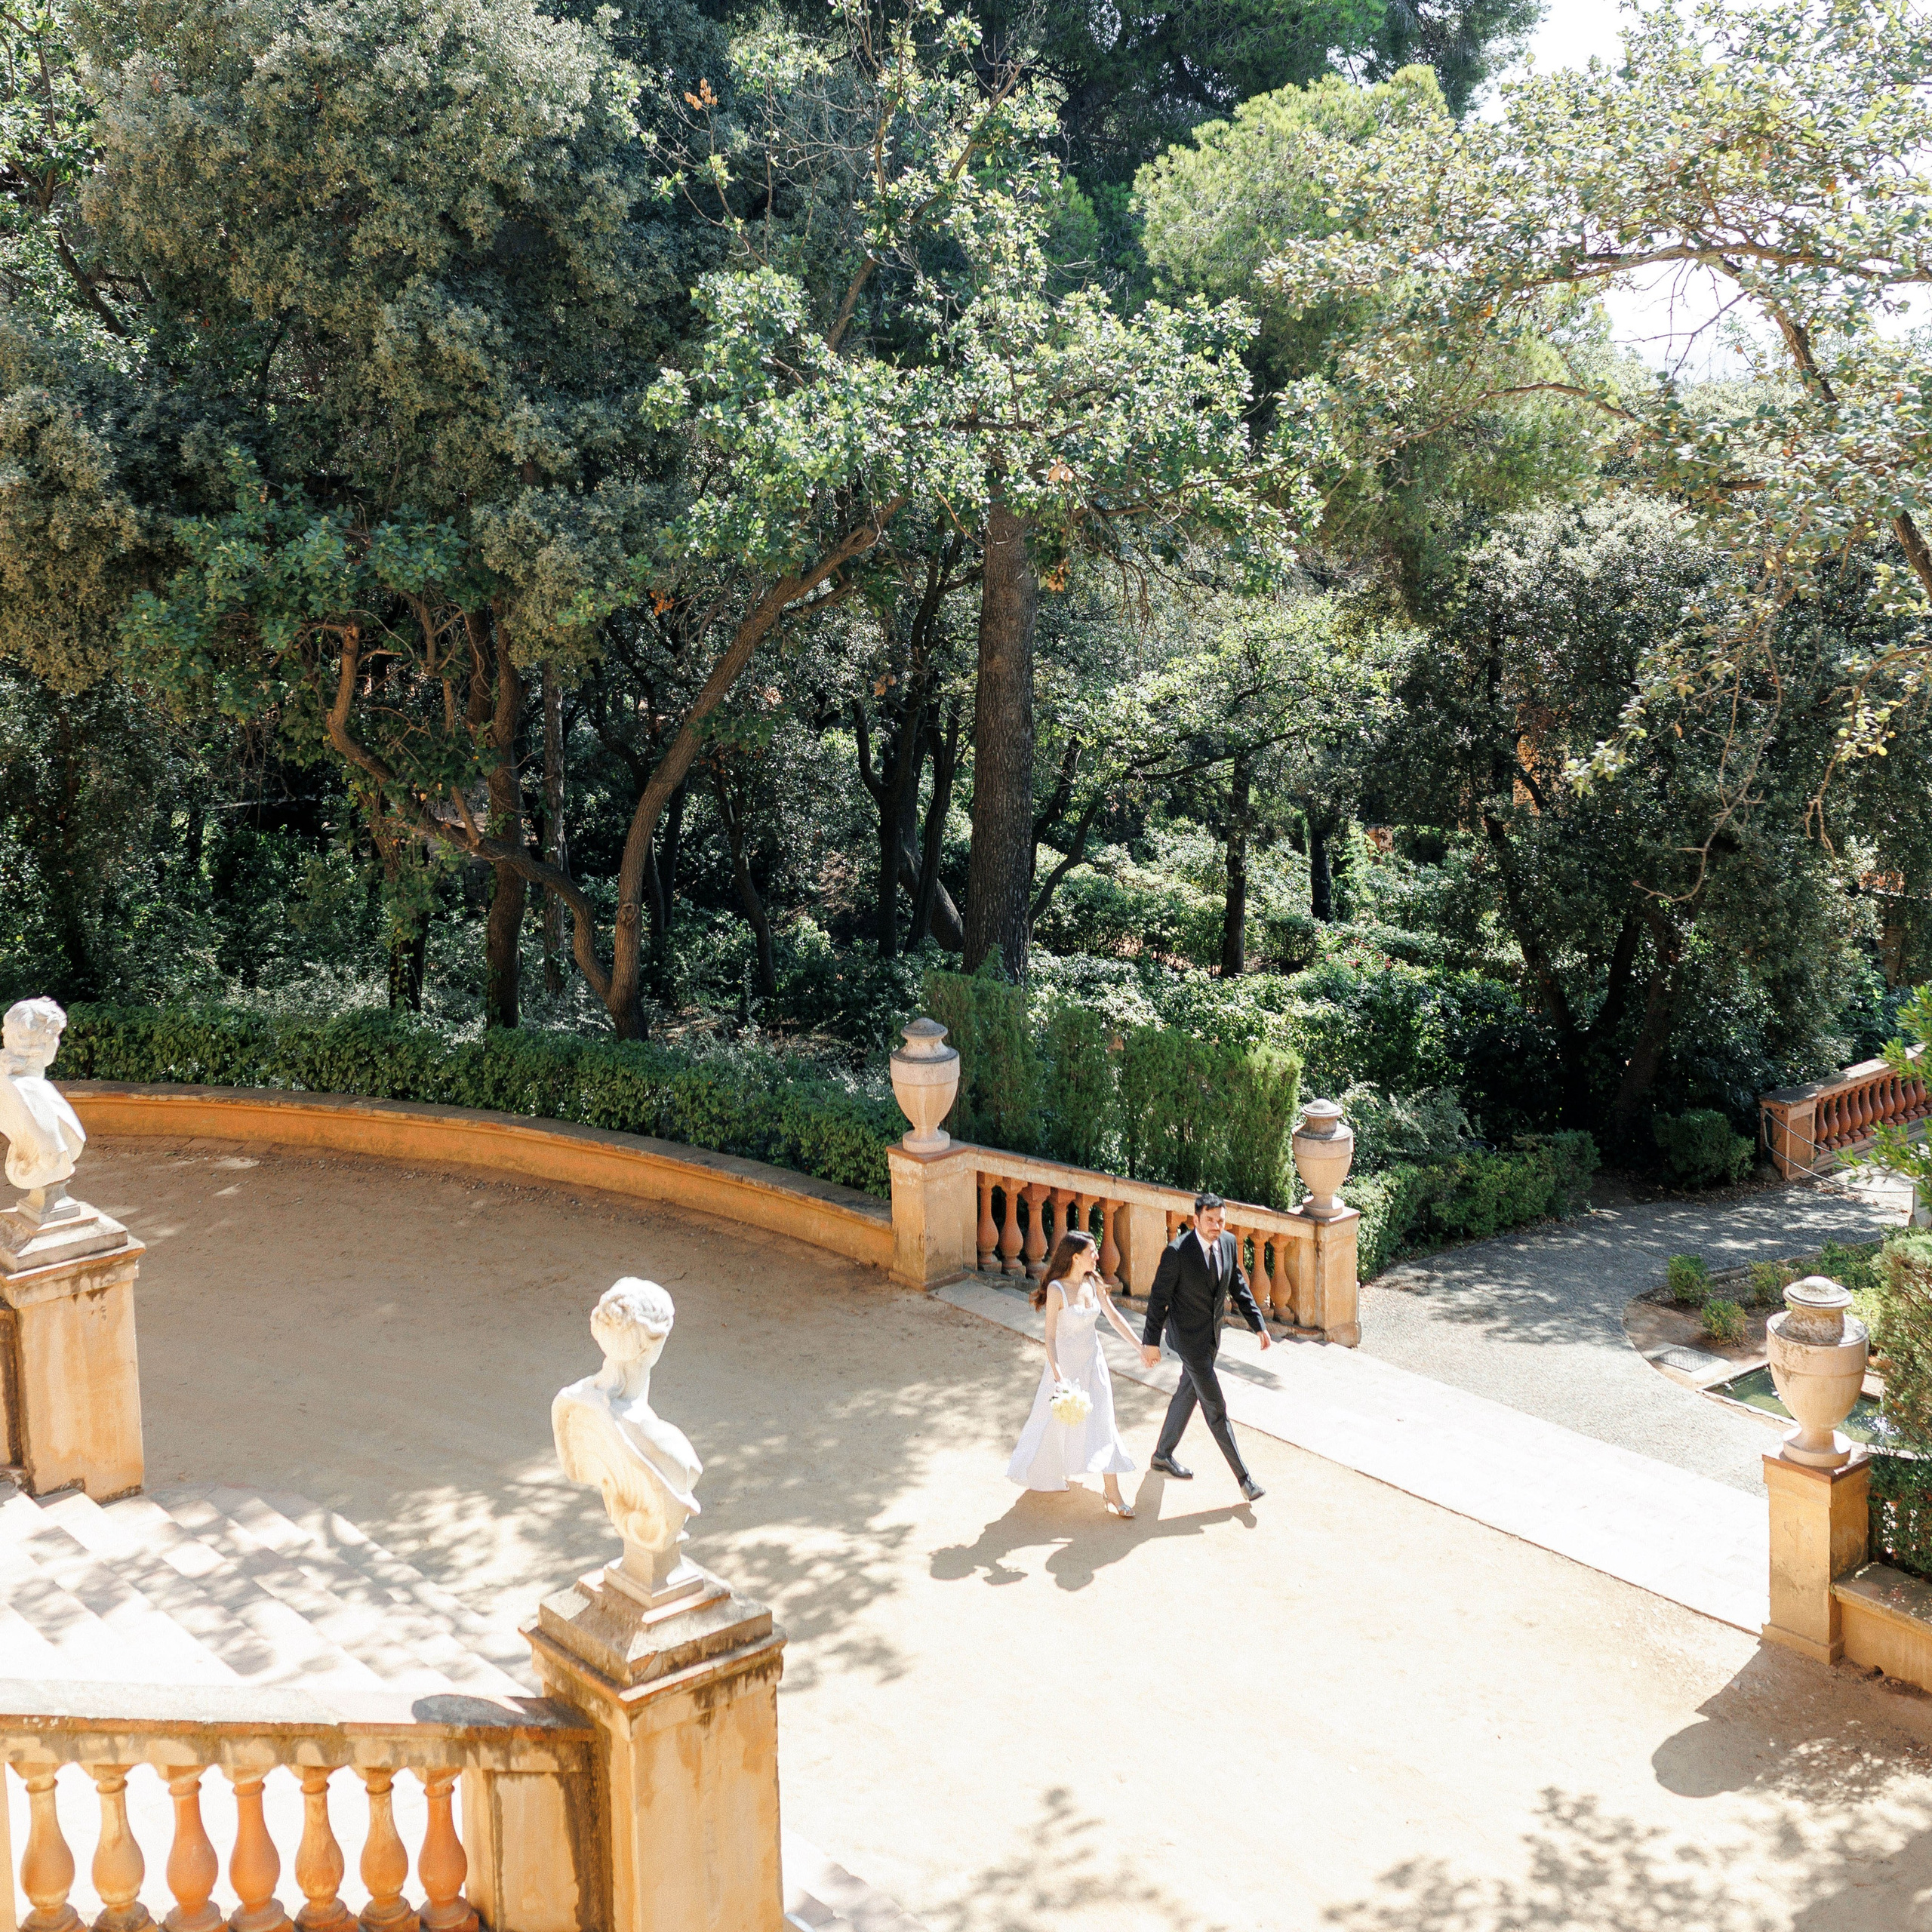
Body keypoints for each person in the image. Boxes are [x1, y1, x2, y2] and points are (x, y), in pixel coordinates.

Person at [1139, 1192, 1272, 1501]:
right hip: (1187, 1339)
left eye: (1220, 1220)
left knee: (1188, 1391)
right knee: (1216, 1409)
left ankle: (1162, 1455)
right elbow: (1158, 1299)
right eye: (1209, 1220)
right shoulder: (1176, 1253)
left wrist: (1259, 1325)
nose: (1216, 1226)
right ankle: (1245, 1479)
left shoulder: (1227, 1242)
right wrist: (1150, 1342)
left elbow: (1238, 1285)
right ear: (1195, 1219)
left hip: (1211, 1337)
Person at [1007, 1228, 1143, 1515]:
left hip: (1094, 1364)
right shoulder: (1056, 1290)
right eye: (1092, 1253)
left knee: (1104, 1422)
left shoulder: (1093, 1282)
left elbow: (1115, 1318)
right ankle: (1045, 1471)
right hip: (1065, 1370)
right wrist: (1058, 1376)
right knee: (1052, 1425)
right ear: (1076, 1257)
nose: (1097, 1256)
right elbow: (1051, 1337)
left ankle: (1114, 1493)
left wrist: (1140, 1347)